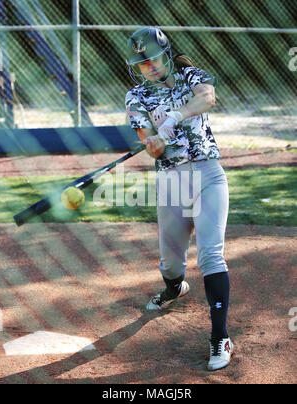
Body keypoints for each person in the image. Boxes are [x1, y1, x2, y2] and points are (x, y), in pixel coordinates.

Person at [125, 26, 234, 371]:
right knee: (171, 265)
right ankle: (174, 287)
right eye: (143, 64)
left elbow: (207, 98)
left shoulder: (190, 74)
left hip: (206, 174)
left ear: (166, 55)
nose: (151, 67)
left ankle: (221, 338)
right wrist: (155, 141)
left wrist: (176, 115)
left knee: (211, 256)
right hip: (171, 182)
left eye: (155, 60)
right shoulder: (135, 98)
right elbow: (151, 147)